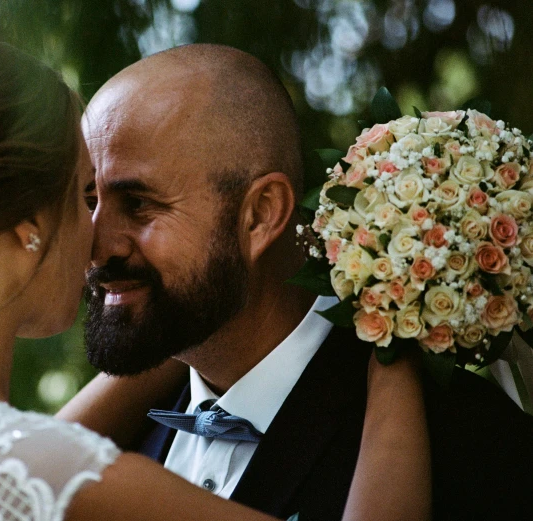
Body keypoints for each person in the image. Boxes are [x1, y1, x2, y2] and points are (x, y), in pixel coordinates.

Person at [0, 27, 429, 521]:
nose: (99, 239)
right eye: (87, 196)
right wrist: (394, 305)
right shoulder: (56, 469)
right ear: (24, 222)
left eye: (135, 202)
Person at [59, 43, 533, 520]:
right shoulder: (106, 444)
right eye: (87, 199)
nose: (95, 249)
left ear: (261, 215)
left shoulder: (463, 443)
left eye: (138, 204)